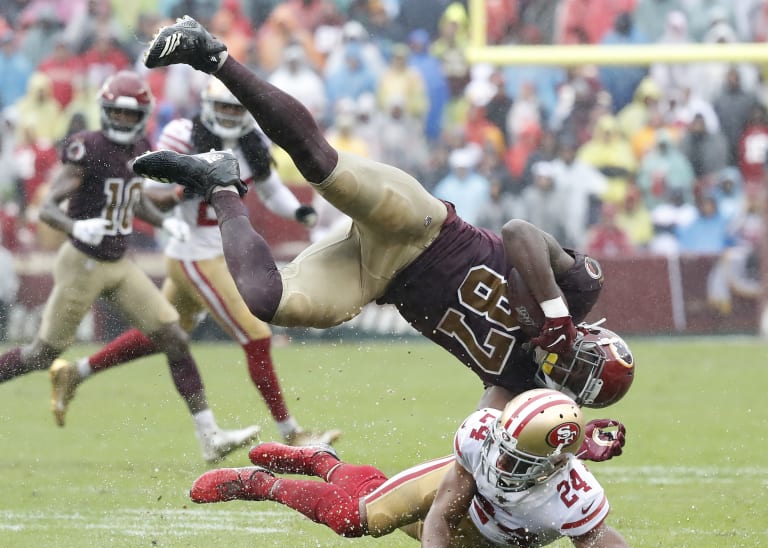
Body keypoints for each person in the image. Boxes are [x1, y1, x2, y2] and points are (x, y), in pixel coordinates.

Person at [135, 17, 632, 414]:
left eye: (575, 381)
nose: (567, 367)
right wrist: (556, 312)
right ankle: (212, 55)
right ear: (594, 337)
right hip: (423, 226)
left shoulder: (525, 389)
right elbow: (519, 232)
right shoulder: (578, 293)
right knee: (320, 166)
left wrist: (561, 445)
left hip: (377, 278)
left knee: (266, 300)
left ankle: (220, 184)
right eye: (583, 362)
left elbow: (479, 438)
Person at [50, 76, 340, 448]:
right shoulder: (182, 135)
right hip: (196, 255)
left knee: (164, 334)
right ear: (207, 105)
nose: (229, 115)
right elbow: (146, 187)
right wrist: (184, 185)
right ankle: (292, 435)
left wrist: (298, 211)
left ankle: (76, 372)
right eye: (223, 107)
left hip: (216, 252)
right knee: (256, 336)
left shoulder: (251, 142)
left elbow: (269, 188)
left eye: (236, 108)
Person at [0, 70, 260, 463]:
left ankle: (210, 435)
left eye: (129, 115)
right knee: (42, 353)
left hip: (118, 262)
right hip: (82, 263)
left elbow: (134, 199)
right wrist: (76, 225)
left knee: (172, 335)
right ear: (105, 112)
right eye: (116, 114)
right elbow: (49, 208)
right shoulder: (86, 147)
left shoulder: (140, 145)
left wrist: (162, 219)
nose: (122, 122)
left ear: (141, 116)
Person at [190, 389, 643, 548]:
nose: (500, 457)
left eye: (516, 456)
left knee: (369, 496)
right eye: (504, 443)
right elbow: (443, 509)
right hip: (448, 497)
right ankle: (259, 484)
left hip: (479, 528)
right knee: (358, 516)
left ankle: (322, 460)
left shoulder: (572, 494)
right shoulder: (481, 437)